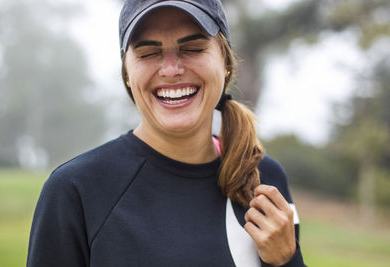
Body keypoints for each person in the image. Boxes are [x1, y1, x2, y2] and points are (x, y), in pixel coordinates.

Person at [27, 0, 306, 266]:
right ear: (127, 72)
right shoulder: (75, 191)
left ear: (225, 61)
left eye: (193, 48)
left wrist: (287, 260)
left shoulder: (264, 180)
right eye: (148, 53)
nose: (171, 70)